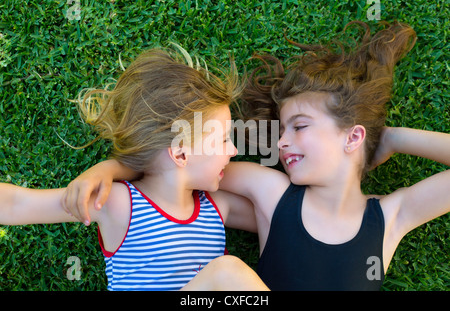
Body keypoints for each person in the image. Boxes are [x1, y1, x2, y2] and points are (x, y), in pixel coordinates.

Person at [63, 21, 449, 290]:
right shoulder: (271, 193)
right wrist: (109, 166)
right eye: (281, 131)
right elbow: (174, 166)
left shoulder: (390, 217)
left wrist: (393, 138)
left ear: (353, 136)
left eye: (298, 127)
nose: (281, 142)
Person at [0, 46, 269, 291]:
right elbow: (17, 204)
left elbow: (280, 219)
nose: (233, 150)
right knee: (227, 272)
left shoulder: (217, 206)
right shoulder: (120, 204)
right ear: (181, 153)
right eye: (222, 139)